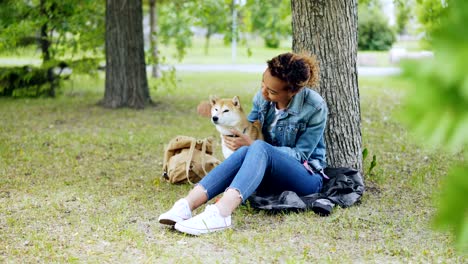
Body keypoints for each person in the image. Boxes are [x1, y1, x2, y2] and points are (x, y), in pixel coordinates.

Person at [158, 52, 328, 235]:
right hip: (267, 171)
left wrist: (252, 143)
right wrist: (220, 118)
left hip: (307, 177)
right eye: (263, 84)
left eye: (271, 91)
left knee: (257, 147)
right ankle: (186, 205)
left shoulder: (314, 106)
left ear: (292, 91)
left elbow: (301, 155)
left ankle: (222, 212)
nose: (263, 92)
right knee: (248, 150)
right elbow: (245, 127)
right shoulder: (262, 99)